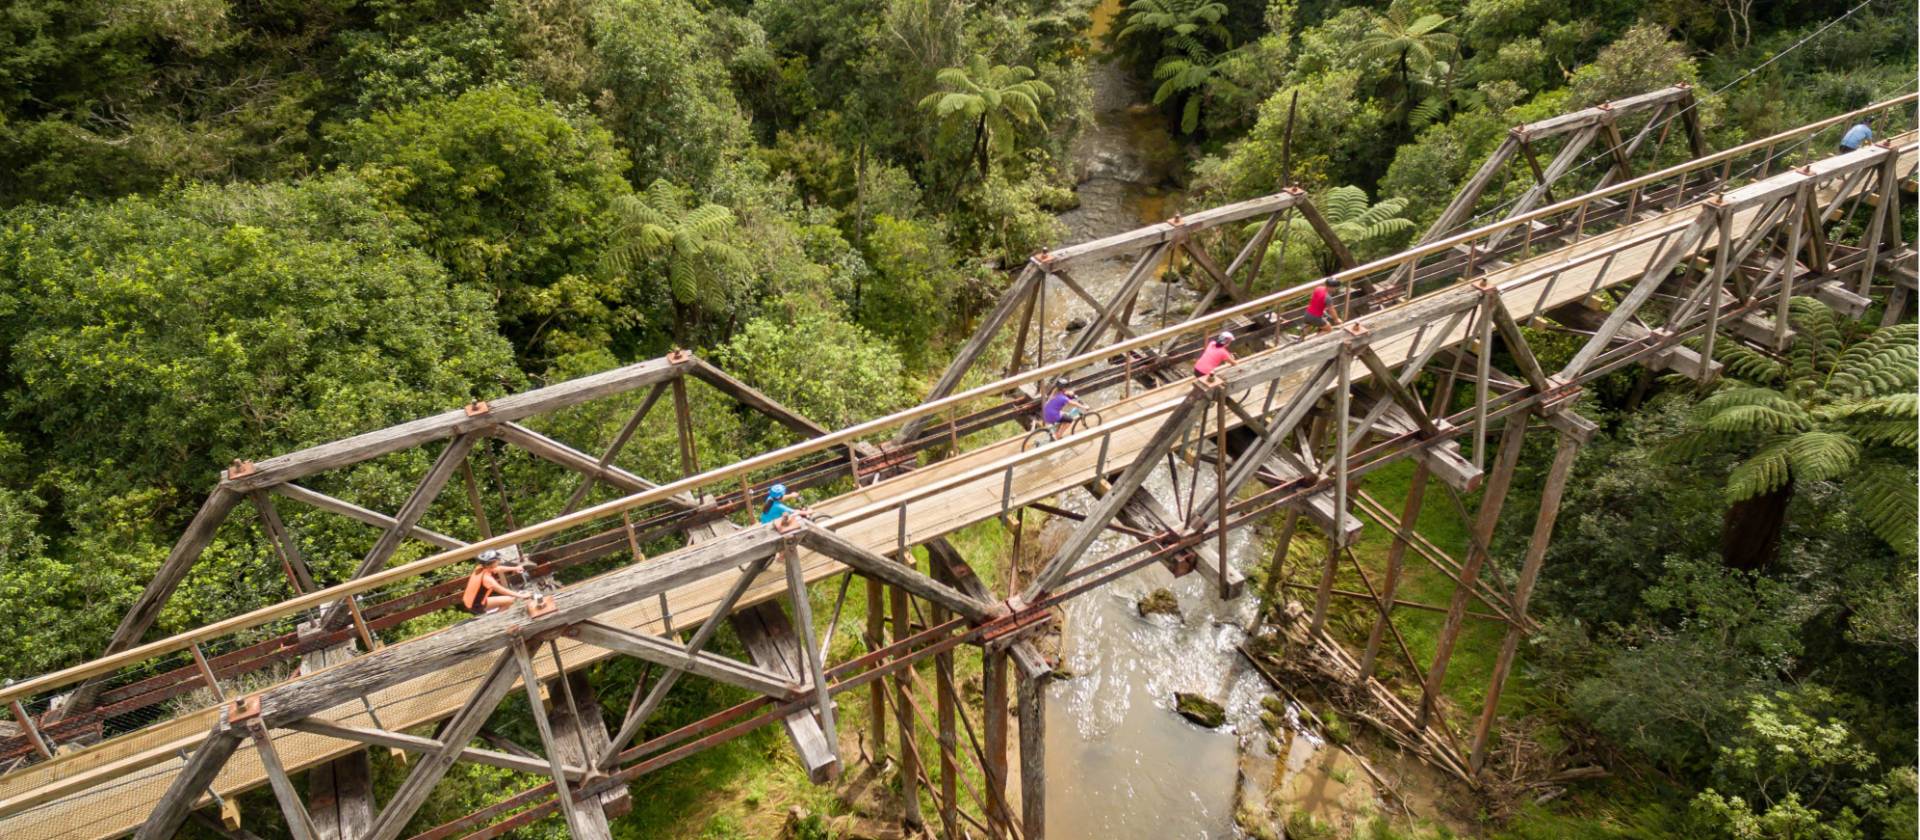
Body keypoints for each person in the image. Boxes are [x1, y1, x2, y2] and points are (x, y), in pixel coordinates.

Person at [461, 550, 533, 616]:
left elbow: (498, 568)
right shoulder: (487, 579)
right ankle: (497, 618)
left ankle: (496, 614)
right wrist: (522, 596)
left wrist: (515, 568)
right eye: (497, 560)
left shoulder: (480, 568)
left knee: (508, 599)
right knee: (510, 600)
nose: (499, 561)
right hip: (475, 605)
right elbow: (502, 590)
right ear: (492, 563)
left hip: (469, 600)